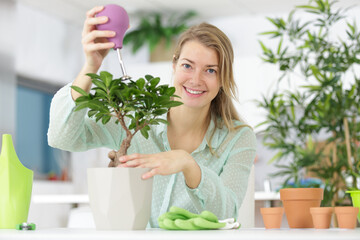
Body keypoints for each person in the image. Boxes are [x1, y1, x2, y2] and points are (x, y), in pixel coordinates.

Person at [47, 6, 256, 228]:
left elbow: (226, 215)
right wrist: (92, 65)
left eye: (210, 70)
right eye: (187, 65)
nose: (196, 79)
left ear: (223, 77)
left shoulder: (238, 138)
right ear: (174, 65)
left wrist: (189, 165)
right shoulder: (131, 120)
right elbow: (62, 138)